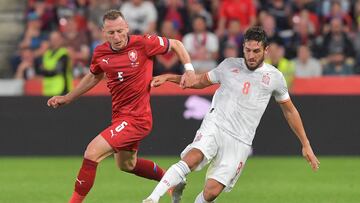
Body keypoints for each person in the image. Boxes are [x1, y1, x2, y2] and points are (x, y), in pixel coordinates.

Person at [143, 26, 320, 203]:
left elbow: (289, 110)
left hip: (240, 140)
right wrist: (168, 77)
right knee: (193, 158)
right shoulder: (228, 65)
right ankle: (153, 198)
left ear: (266, 50)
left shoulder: (275, 77)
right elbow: (198, 81)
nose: (251, 56)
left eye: (256, 51)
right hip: (216, 124)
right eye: (248, 50)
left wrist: (305, 144)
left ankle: (178, 181)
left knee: (211, 193)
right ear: (243, 47)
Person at [47, 10, 196, 203]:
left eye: (119, 31)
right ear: (103, 32)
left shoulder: (143, 43)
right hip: (120, 117)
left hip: (137, 118)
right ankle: (171, 180)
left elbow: (176, 44)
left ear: (126, 28)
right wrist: (68, 97)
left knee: (92, 152)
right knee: (127, 165)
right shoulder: (101, 52)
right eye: (111, 33)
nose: (116, 37)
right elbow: (94, 76)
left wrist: (189, 70)